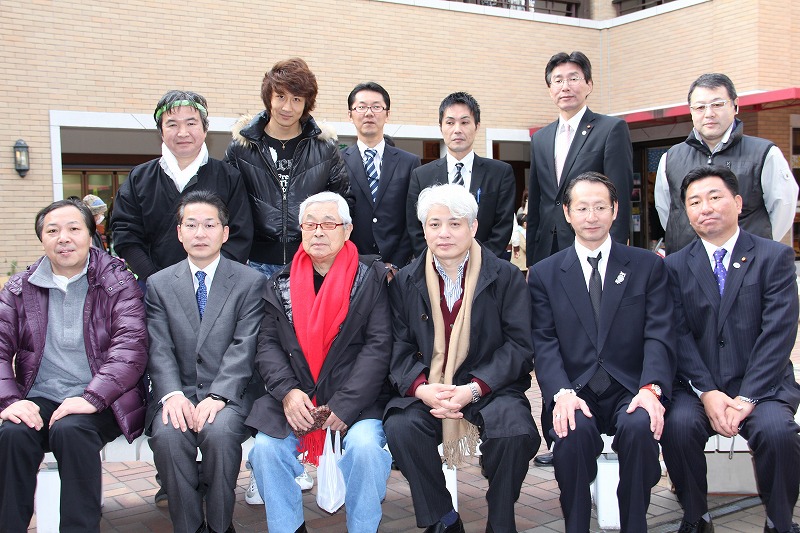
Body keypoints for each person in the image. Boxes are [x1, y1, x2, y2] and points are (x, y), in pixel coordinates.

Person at [385, 184, 539, 533]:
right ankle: (444, 518)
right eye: (435, 224)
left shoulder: (505, 276)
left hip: (491, 387)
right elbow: (396, 345)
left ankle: (500, 520)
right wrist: (421, 389)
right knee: (401, 427)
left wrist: (474, 388)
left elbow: (519, 346)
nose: (444, 233)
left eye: (455, 223)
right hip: (430, 388)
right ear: (424, 229)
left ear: (473, 227)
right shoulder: (405, 282)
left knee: (514, 433)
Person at [529, 172, 676, 533]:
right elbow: (543, 341)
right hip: (574, 388)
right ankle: (576, 525)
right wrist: (561, 393)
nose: (591, 216)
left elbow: (659, 334)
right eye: (582, 208)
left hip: (632, 386)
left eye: (600, 207)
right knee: (572, 432)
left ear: (615, 210)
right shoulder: (546, 273)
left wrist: (651, 388)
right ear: (567, 213)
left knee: (640, 427)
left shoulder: (647, 266)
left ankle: (634, 523)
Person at [662, 165, 800, 533]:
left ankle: (779, 520)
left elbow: (778, 332)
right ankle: (696, 516)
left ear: (738, 203)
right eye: (694, 202)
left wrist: (748, 397)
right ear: (686, 212)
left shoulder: (774, 257)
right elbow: (677, 335)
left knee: (778, 433)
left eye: (714, 197)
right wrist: (707, 392)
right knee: (677, 427)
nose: (705, 207)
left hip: (762, 384)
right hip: (697, 386)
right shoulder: (674, 267)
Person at [246, 192, 392, 533]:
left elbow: (379, 346)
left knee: (366, 449)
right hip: (298, 397)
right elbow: (267, 345)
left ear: (348, 229)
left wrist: (346, 403)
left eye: (328, 224)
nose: (318, 232)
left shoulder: (372, 277)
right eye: (310, 225)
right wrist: (287, 392)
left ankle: (363, 528)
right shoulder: (280, 283)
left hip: (358, 401)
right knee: (266, 450)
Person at [0, 199, 148, 533]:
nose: (63, 238)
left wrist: (92, 397)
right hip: (40, 397)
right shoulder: (20, 289)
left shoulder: (118, 283)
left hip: (102, 399)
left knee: (71, 431)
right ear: (42, 239)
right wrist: (10, 401)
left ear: (90, 234)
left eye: (73, 229)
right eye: (53, 231)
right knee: (12, 433)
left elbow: (131, 348)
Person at [527, 50, 634, 467]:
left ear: (588, 84)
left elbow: (616, 197)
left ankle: (604, 424)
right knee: (551, 342)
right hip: (551, 257)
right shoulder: (541, 138)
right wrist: (533, 261)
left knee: (594, 336)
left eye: (573, 78)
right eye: (557, 79)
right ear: (548, 88)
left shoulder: (610, 129)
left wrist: (615, 260)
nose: (565, 86)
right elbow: (539, 203)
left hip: (596, 254)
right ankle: (558, 436)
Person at [145, 191, 266, 533]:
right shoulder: (159, 284)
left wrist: (219, 395)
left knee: (220, 433)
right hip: (179, 392)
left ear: (225, 233)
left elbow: (245, 345)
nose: (200, 233)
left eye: (209, 225)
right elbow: (159, 347)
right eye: (191, 225)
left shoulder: (250, 282)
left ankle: (220, 525)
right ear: (179, 232)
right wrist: (171, 395)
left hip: (230, 394)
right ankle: (189, 526)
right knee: (169, 436)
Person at [225, 57, 354, 278]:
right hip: (254, 263)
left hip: (311, 261)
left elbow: (344, 202)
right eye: (281, 96)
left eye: (296, 99)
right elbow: (226, 205)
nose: (287, 107)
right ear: (269, 98)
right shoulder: (242, 147)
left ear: (306, 104)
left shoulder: (324, 148)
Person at [112, 90, 253, 284]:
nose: (183, 132)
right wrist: (156, 280)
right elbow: (125, 234)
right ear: (161, 131)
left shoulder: (229, 177)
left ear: (205, 129)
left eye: (191, 123)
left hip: (216, 286)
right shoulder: (139, 178)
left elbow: (240, 236)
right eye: (172, 124)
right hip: (154, 287)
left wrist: (208, 280)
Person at [655, 73, 798, 255]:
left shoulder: (764, 153)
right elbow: (667, 211)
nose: (709, 114)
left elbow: (783, 208)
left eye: (717, 104)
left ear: (735, 105)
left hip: (748, 261)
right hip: (687, 262)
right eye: (700, 107)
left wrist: (757, 249)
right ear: (691, 111)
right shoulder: (671, 158)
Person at [406, 92, 516, 258]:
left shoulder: (500, 173)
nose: (457, 130)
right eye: (450, 122)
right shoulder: (421, 176)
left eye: (464, 122)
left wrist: (477, 262)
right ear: (441, 127)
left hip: (485, 265)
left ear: (477, 126)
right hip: (435, 266)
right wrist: (438, 262)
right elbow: (415, 229)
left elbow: (503, 227)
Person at [343, 81, 421, 270]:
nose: (369, 113)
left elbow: (413, 218)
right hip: (352, 266)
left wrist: (396, 263)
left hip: (397, 268)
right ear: (350, 115)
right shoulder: (337, 162)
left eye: (376, 107)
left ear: (387, 114)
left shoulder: (409, 162)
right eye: (361, 107)